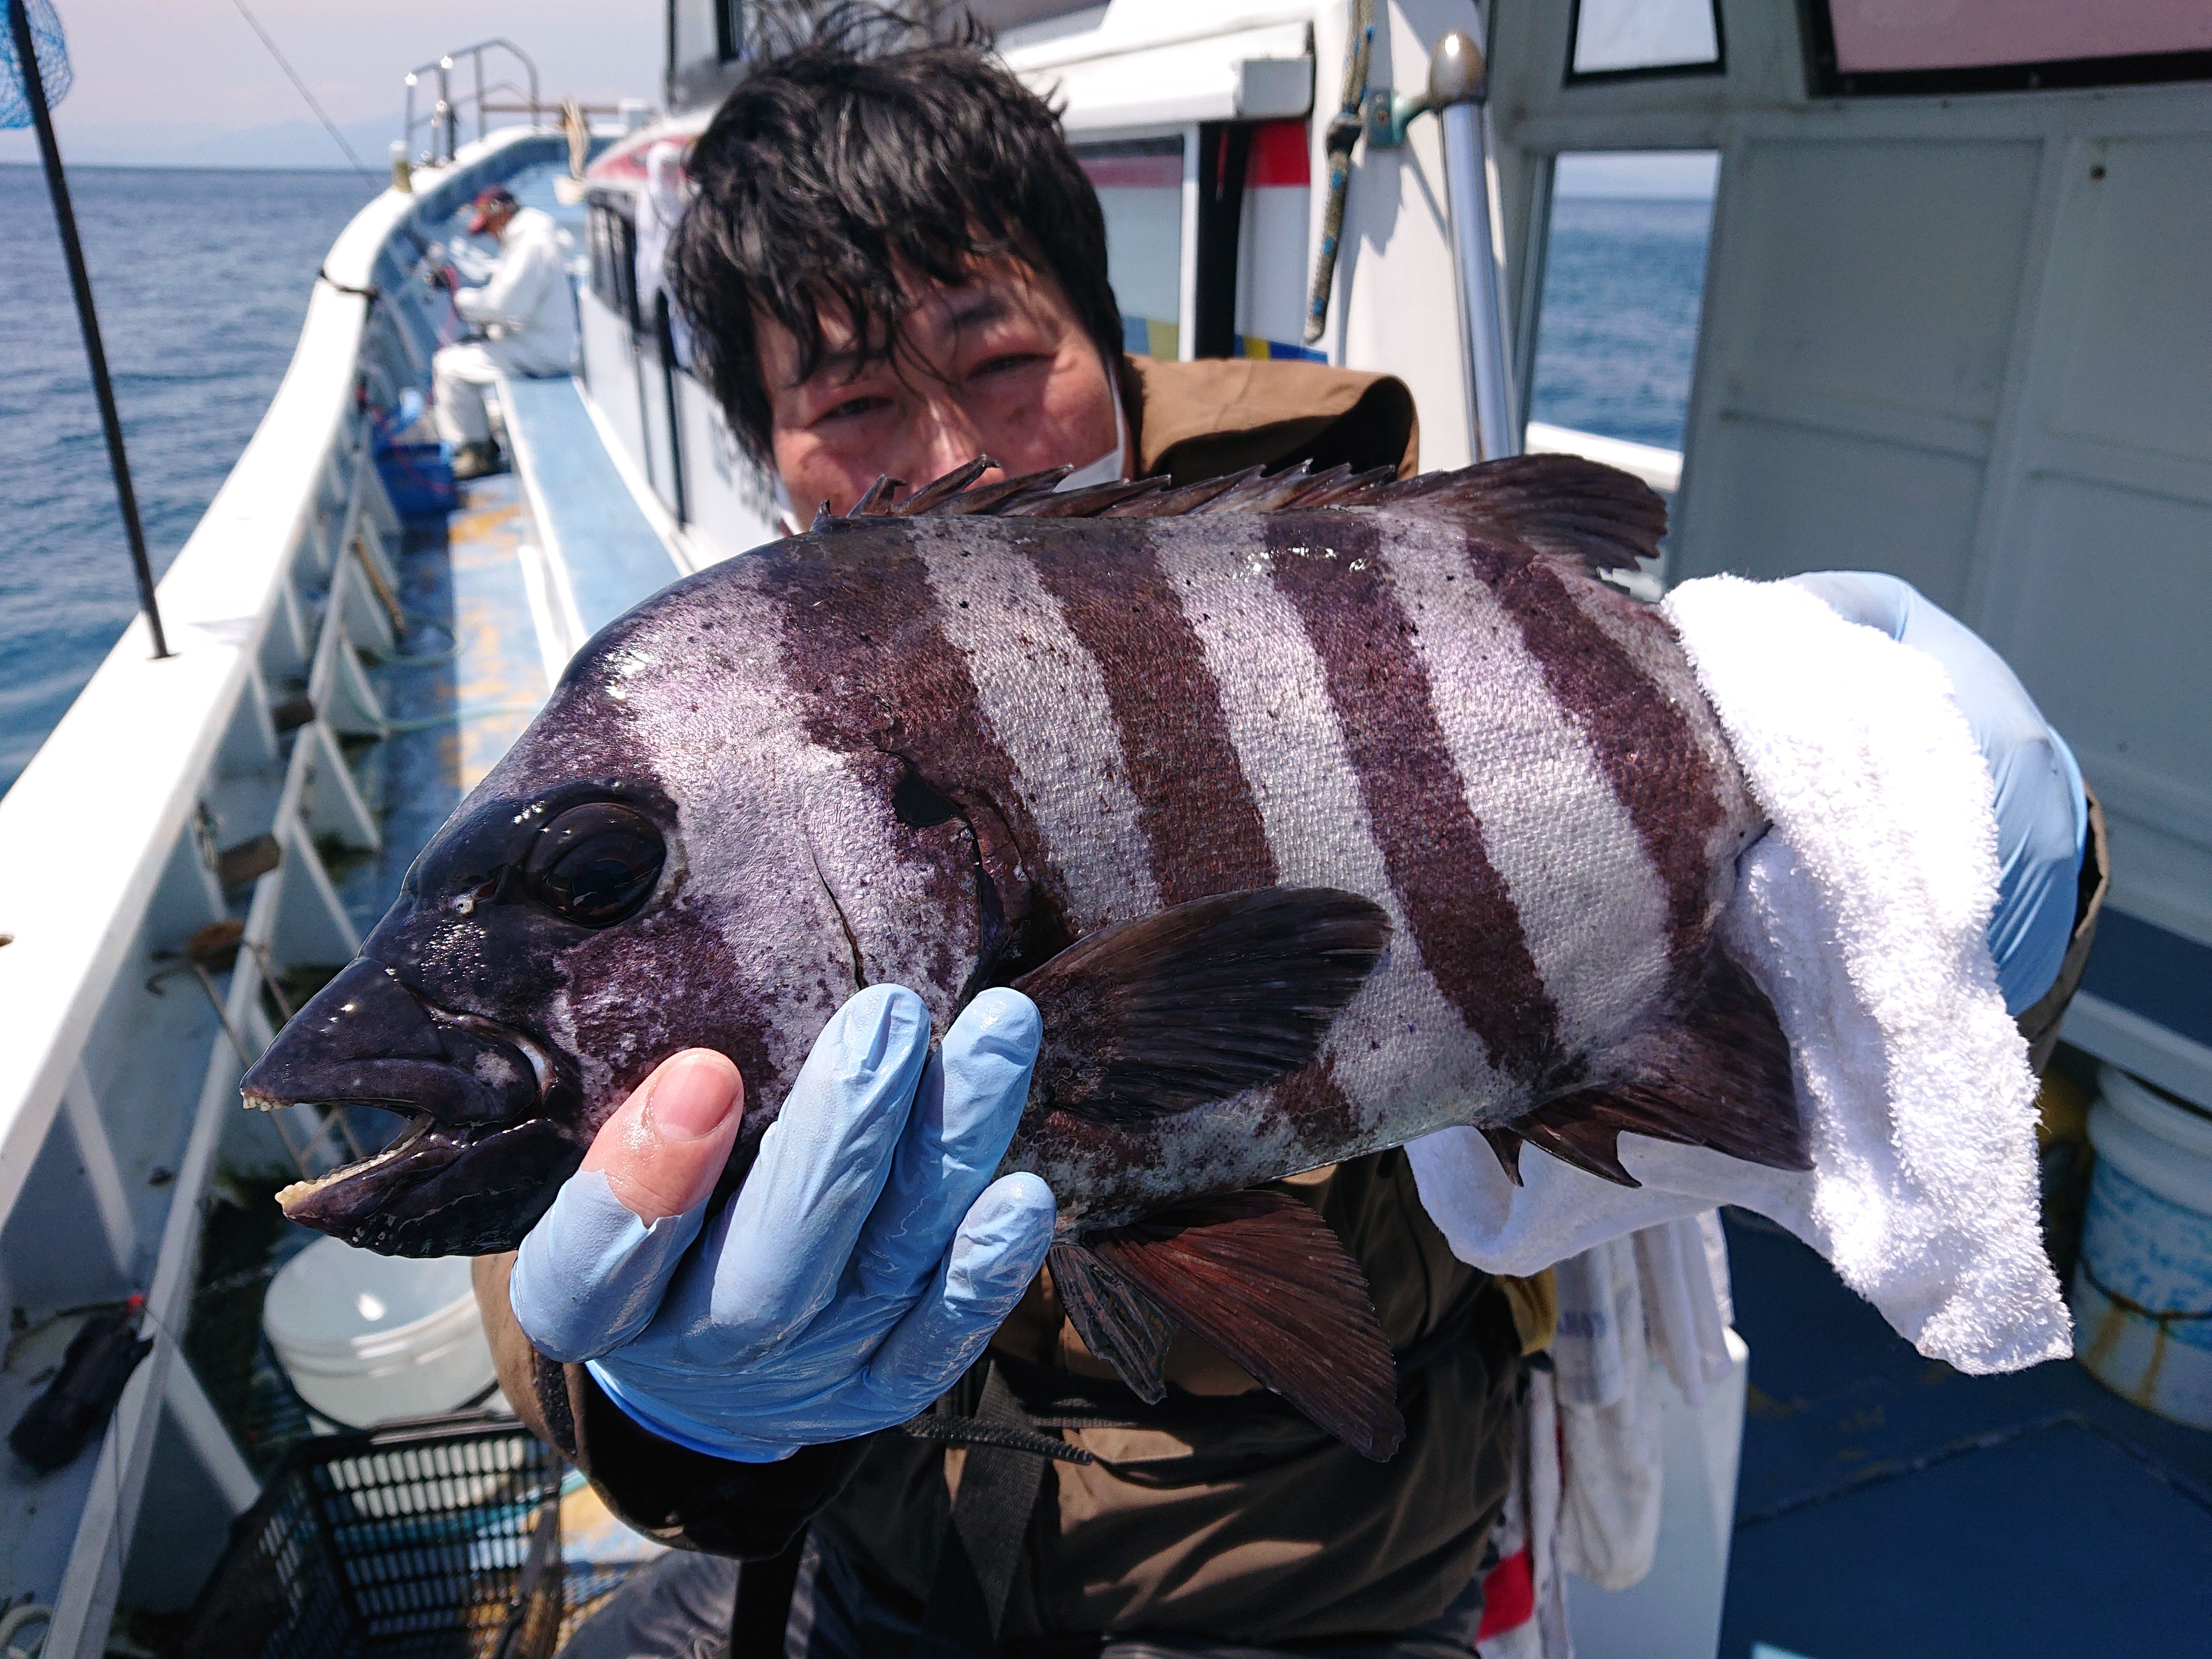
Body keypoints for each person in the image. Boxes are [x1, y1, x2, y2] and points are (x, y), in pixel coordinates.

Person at [471, 15, 2104, 1658]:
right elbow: (544, 1169)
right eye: (851, 401)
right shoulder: (694, 744)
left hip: (1311, 1573)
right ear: (765, 451)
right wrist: (657, 1398)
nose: (954, 450)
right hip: (874, 1539)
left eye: (1000, 358)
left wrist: (1964, 872)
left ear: (1107, 344)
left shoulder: (1384, 619)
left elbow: (1809, 956)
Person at [432, 185, 578, 481]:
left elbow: (507, 307)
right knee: (461, 356)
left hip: (543, 353)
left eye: (490, 228)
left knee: (448, 366)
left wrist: (462, 301)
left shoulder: (531, 244)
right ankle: (481, 444)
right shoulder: (533, 237)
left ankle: (477, 455)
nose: (492, 236)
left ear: (502, 215)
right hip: (546, 342)